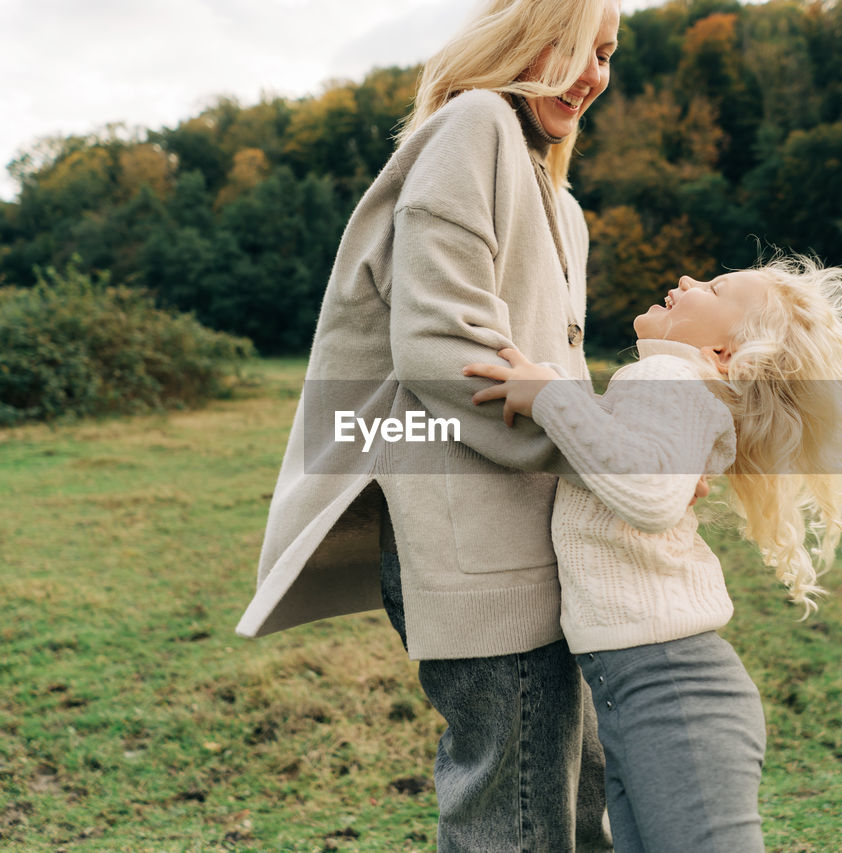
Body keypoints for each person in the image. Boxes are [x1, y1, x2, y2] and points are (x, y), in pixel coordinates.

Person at [235, 1, 623, 849]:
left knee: (578, 797)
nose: (593, 74)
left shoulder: (563, 205)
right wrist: (607, 454)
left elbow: (550, 378)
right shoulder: (474, 127)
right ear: (525, 37)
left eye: (607, 54)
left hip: (546, 542)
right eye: (577, 46)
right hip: (472, 544)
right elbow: (444, 351)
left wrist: (606, 454)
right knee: (515, 819)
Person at [462, 254, 842, 851]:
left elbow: (650, 494)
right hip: (643, 687)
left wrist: (551, 397)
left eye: (714, 288)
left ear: (724, 354)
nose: (688, 281)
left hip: (673, 689)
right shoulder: (666, 389)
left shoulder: (668, 380)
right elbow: (630, 466)